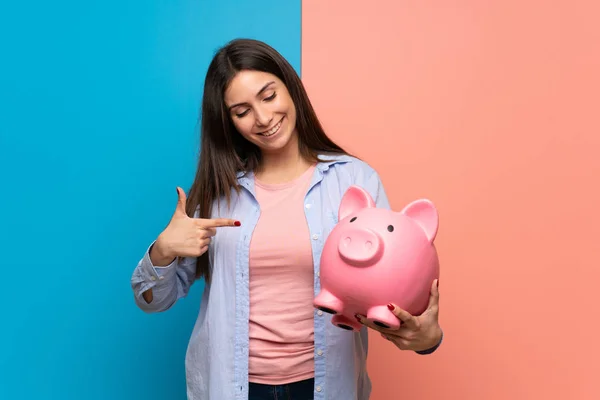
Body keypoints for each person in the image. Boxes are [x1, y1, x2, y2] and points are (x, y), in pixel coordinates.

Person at [130, 38, 443, 400]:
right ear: (228, 121)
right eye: (241, 111)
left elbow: (390, 284)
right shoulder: (218, 193)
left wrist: (424, 335)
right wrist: (163, 252)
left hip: (324, 385)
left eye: (268, 95)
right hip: (235, 388)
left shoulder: (355, 180)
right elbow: (151, 300)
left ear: (290, 88)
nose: (263, 118)